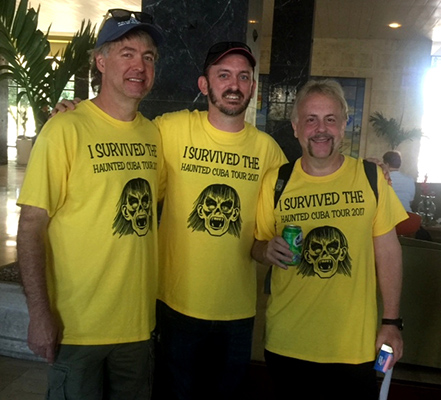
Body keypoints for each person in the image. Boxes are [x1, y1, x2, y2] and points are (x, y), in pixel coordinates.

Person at [52, 41, 287, 399]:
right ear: (204, 85)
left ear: (253, 87)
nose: (234, 85)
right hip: (174, 307)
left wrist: (365, 172)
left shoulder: (269, 152)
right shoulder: (169, 130)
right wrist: (76, 113)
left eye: (243, 77)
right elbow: (119, 126)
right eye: (224, 75)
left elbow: (263, 236)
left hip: (237, 315)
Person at [17, 10, 164, 400]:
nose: (139, 66)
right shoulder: (65, 128)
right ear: (100, 61)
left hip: (137, 327)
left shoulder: (153, 135)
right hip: (77, 329)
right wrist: (39, 314)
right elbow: (31, 225)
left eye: (148, 57)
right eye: (127, 54)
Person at [251, 79, 408, 400]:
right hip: (288, 343)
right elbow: (256, 246)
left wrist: (391, 322)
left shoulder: (371, 177)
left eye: (330, 119)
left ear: (344, 124)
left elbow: (389, 253)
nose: (320, 129)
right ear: (296, 127)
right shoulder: (276, 181)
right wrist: (265, 250)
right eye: (311, 119)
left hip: (354, 347)